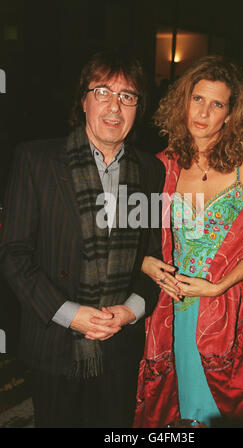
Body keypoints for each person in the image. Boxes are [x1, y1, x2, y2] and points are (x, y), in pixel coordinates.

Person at [0, 49, 165, 428]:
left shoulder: (150, 171)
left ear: (138, 108)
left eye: (127, 96)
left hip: (119, 345)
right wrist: (71, 315)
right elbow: (14, 254)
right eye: (102, 91)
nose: (114, 106)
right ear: (83, 100)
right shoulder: (36, 160)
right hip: (55, 343)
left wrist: (130, 311)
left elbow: (152, 256)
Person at [134, 55, 243, 428]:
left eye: (217, 104)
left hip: (226, 311)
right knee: (173, 412)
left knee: (220, 414)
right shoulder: (161, 164)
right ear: (184, 102)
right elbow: (134, 239)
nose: (204, 112)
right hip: (172, 308)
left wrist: (217, 287)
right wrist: (148, 264)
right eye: (197, 99)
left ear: (231, 114)